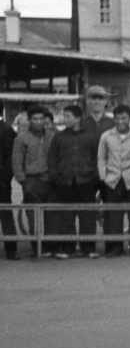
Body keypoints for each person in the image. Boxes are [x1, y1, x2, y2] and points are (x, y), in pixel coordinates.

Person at [47, 105, 101, 259]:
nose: (64, 119)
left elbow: (97, 158)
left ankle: (88, 248)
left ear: (78, 118)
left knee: (88, 217)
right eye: (63, 116)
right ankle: (68, 248)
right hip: (65, 182)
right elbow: (52, 158)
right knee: (66, 217)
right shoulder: (58, 137)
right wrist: (55, 177)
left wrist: (95, 179)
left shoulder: (91, 136)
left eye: (68, 116)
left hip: (86, 181)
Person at [97, 105, 130, 256]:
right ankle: (114, 247)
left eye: (123, 118)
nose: (120, 121)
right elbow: (101, 158)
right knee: (113, 215)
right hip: (112, 180)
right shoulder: (106, 136)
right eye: (117, 118)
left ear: (129, 118)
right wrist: (103, 177)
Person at [13, 106, 56, 258]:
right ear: (29, 120)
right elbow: (17, 163)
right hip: (30, 180)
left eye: (41, 119)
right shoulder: (21, 139)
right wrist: (23, 181)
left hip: (50, 181)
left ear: (45, 120)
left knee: (51, 216)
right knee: (33, 218)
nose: (38, 122)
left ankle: (51, 247)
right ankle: (37, 248)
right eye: (35, 119)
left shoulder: (52, 136)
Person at [0, 111, 17, 259]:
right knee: (6, 215)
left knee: (6, 214)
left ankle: (11, 249)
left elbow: (11, 158)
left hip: (1, 181)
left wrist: (5, 179)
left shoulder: (6, 130)